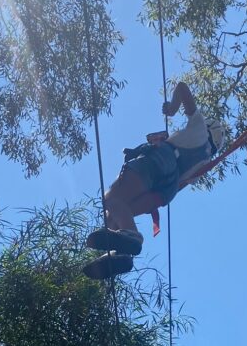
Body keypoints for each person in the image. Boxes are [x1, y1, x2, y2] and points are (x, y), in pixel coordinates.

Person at [83, 82, 226, 280]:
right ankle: (121, 254)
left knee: (112, 199)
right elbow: (181, 185)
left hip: (160, 162)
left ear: (210, 128)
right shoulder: (204, 162)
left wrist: (173, 107)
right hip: (166, 190)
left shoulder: (200, 128)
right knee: (115, 215)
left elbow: (183, 88)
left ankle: (131, 236)